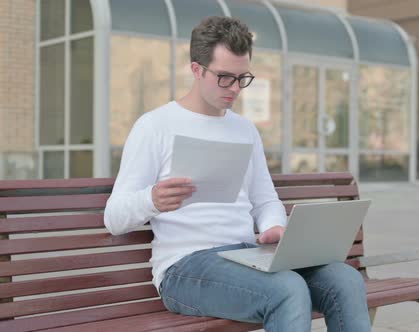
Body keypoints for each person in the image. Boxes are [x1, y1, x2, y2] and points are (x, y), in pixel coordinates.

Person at [104, 16, 371, 332]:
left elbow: (265, 199)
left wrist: (273, 227)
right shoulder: (155, 126)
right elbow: (114, 218)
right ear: (196, 69)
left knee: (346, 279)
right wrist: (152, 199)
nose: (234, 89)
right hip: (185, 267)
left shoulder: (244, 129)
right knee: (287, 289)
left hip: (247, 256)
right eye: (224, 77)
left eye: (242, 78)